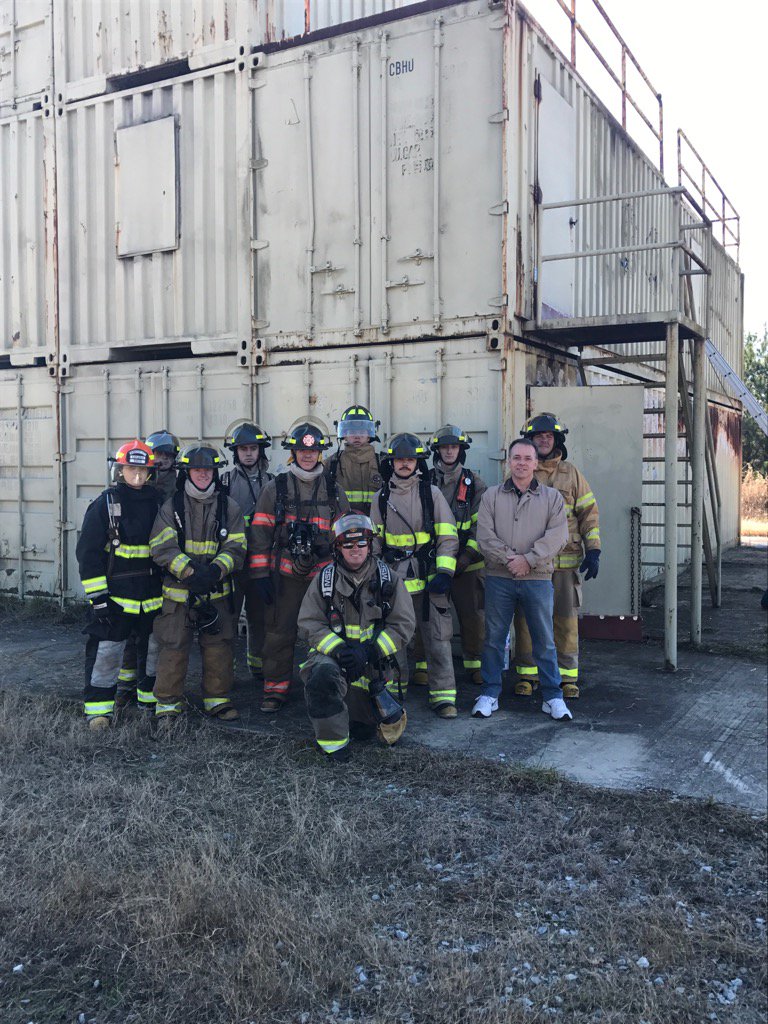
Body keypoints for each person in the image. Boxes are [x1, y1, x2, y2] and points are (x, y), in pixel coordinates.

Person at [248, 423, 350, 713]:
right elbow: (260, 534)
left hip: (324, 579)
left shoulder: (333, 489)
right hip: (285, 577)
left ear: (320, 453)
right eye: (303, 450)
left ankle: (325, 689)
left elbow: (345, 533)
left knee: (328, 633)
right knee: (279, 632)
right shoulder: (276, 488)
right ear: (294, 452)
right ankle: (275, 690)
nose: (308, 455)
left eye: (313, 450)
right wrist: (260, 575)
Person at [297, 513, 415, 762]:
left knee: (378, 731)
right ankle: (335, 747)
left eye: (361, 543)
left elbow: (404, 624)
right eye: (347, 544)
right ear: (337, 548)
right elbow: (309, 623)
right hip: (338, 661)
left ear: (370, 544)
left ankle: (361, 717)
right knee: (321, 677)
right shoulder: (324, 581)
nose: (355, 549)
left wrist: (372, 651)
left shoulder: (389, 580)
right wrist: (338, 649)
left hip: (376, 667)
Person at [473, 437, 572, 721]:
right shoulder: (491, 496)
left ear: (536, 463)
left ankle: (553, 696)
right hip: (499, 578)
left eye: (528, 458)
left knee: (544, 639)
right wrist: (509, 560)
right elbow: (484, 536)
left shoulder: (552, 497)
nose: (522, 463)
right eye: (517, 458)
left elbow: (558, 536)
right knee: (493, 638)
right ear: (509, 461)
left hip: (537, 578)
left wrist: (528, 560)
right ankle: (490, 693)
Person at [149, 444, 247, 723]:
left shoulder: (230, 507)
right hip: (179, 594)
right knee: (173, 645)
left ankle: (217, 699)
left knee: (219, 646)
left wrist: (215, 571)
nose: (203, 475)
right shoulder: (172, 507)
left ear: (216, 473)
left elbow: (237, 547)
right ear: (188, 473)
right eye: (197, 470)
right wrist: (191, 573)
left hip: (216, 592)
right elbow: (161, 548)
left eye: (208, 470)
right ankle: (167, 704)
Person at [370, 432, 459, 718]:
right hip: (394, 582)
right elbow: (374, 542)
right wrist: (374, 576)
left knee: (437, 639)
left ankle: (444, 697)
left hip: (429, 578)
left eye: (410, 459)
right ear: (391, 463)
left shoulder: (430, 494)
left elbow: (448, 535)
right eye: (400, 459)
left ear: (418, 462)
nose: (405, 464)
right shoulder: (381, 498)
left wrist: (444, 571)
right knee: (394, 640)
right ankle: (395, 692)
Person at [76, 440, 163, 729]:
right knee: (107, 654)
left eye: (142, 469)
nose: (137, 475)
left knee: (152, 653)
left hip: (152, 597)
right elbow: (88, 554)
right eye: (131, 468)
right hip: (115, 598)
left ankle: (149, 704)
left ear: (150, 472)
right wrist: (98, 597)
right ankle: (99, 711)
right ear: (119, 469)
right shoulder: (105, 504)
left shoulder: (160, 503)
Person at [513, 413, 600, 699]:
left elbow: (588, 513)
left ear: (557, 439)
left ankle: (567, 677)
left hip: (565, 563)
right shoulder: (521, 471)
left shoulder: (571, 473)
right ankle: (528, 674)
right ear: (530, 440)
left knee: (565, 620)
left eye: (549, 436)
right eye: (538, 437)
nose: (544, 440)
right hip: (531, 564)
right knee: (527, 620)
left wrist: (594, 549)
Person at [412, 425, 488, 687]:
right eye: (444, 447)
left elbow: (483, 527)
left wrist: (466, 556)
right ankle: (422, 663)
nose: (449, 451)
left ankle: (475, 664)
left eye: (454, 447)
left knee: (471, 615)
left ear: (461, 450)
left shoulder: (475, 483)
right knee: (427, 614)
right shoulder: (425, 482)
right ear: (437, 450)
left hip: (467, 565)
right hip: (432, 562)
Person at [221, 422, 273, 682]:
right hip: (234, 563)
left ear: (261, 451)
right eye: (244, 449)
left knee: (259, 617)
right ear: (236, 452)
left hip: (262, 563)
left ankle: (258, 666)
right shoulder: (225, 481)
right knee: (228, 617)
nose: (249, 454)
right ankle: (224, 671)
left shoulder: (273, 483)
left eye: (253, 448)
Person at [325, 405, 383, 513]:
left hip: (374, 526)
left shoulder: (381, 462)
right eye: (352, 432)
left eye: (362, 432)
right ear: (344, 435)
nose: (357, 436)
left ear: (370, 435)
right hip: (340, 525)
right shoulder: (332, 463)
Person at [145, 430, 180, 502]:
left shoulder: (181, 485)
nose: (164, 457)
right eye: (159, 453)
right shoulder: (139, 480)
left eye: (168, 453)